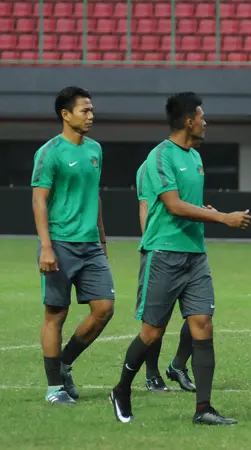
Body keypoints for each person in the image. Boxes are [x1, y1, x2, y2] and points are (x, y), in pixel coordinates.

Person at [109, 92, 251, 424]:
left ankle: (203, 409)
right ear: (189, 121)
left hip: (195, 256)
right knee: (151, 334)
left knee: (203, 325)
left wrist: (207, 212)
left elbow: (186, 204)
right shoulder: (160, 156)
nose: (206, 122)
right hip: (163, 254)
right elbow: (172, 205)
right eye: (202, 116)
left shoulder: (195, 157)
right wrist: (223, 218)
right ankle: (121, 390)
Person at [32, 86, 115, 405]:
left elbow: (94, 196)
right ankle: (55, 387)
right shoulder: (49, 152)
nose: (91, 116)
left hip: (91, 245)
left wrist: (103, 239)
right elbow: (39, 201)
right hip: (59, 243)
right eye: (85, 110)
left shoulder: (95, 150)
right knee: (56, 314)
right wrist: (46, 247)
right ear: (66, 115)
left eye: (92, 110)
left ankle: (64, 363)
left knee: (104, 309)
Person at [135, 161, 196, 393]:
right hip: (161, 250)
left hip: (190, 248)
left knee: (200, 316)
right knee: (156, 321)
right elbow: (145, 205)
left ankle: (178, 365)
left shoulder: (191, 162)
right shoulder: (149, 166)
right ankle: (152, 374)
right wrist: (151, 245)